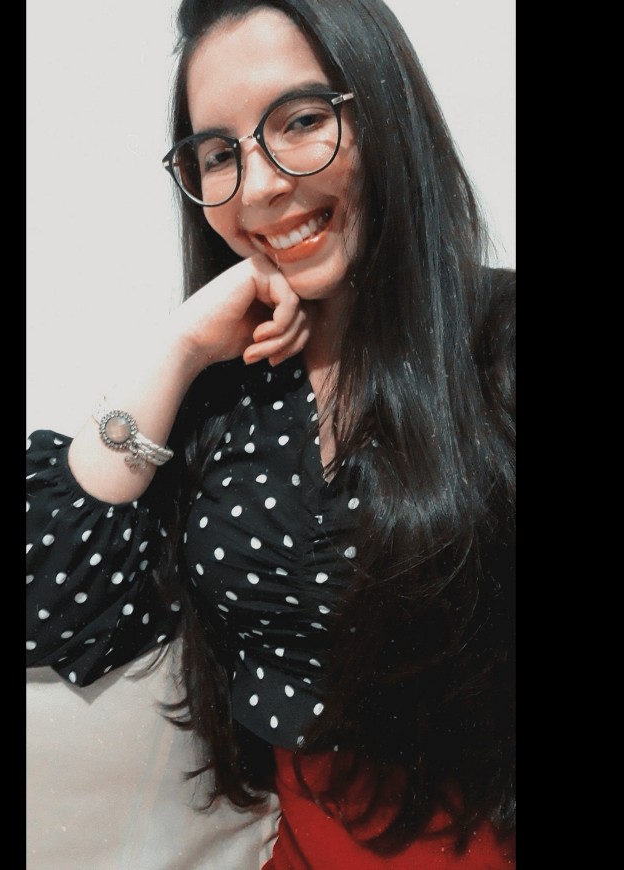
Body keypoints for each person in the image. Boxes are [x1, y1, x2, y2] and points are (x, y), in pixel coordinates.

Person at [26, 0, 515, 866]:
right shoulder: (224, 394)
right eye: (219, 154)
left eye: (301, 121)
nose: (257, 188)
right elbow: (51, 604)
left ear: (389, 116)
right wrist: (178, 348)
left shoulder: (498, 342)